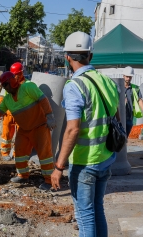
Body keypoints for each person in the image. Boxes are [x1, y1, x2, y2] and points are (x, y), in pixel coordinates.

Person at [50, 31, 120, 237]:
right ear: (90, 55)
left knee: (85, 215)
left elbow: (73, 129)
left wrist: (58, 166)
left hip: (84, 162)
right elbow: (114, 115)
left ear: (68, 57)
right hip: (105, 158)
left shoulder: (74, 86)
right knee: (97, 209)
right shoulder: (106, 81)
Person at [0, 71, 56, 191]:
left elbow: (43, 99)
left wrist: (50, 116)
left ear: (12, 81)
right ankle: (23, 175)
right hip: (24, 130)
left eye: (6, 85)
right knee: (19, 153)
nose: (5, 88)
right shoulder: (7, 100)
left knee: (44, 154)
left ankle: (49, 180)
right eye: (3, 86)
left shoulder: (28, 87)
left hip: (39, 127)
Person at [0, 62, 26, 161]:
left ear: (21, 73)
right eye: (15, 74)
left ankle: (16, 153)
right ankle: (5, 153)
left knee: (20, 136)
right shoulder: (8, 81)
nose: (16, 76)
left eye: (18, 74)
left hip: (20, 114)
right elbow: (1, 97)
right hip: (9, 113)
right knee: (6, 134)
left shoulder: (26, 84)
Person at [123, 66, 143, 137]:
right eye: (127, 76)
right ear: (123, 76)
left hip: (129, 116)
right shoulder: (117, 87)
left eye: (130, 77)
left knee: (126, 136)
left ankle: (124, 147)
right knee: (118, 137)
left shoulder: (135, 88)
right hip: (119, 116)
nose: (128, 78)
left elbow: (139, 100)